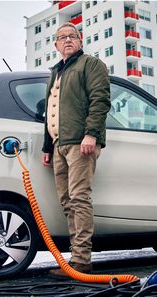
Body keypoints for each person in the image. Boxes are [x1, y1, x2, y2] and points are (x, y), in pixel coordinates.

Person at [41, 23, 111, 278]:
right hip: (59, 144)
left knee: (80, 198)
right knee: (67, 202)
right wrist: (47, 146)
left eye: (72, 36)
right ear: (56, 45)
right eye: (62, 37)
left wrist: (91, 134)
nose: (68, 40)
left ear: (80, 41)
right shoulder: (55, 72)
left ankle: (82, 261)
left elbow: (100, 99)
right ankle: (75, 258)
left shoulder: (90, 64)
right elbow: (49, 111)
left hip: (80, 143)